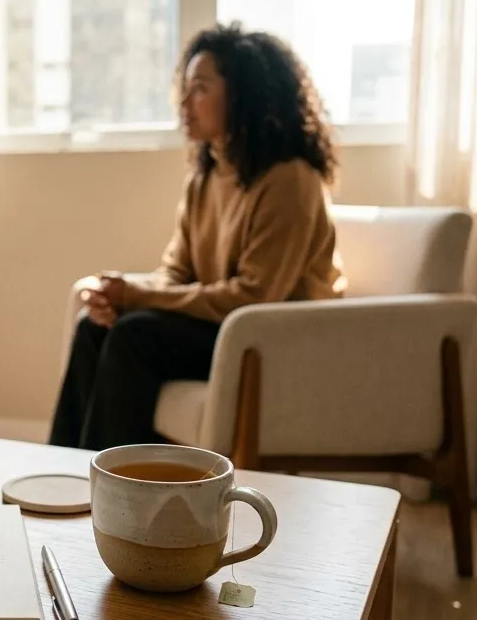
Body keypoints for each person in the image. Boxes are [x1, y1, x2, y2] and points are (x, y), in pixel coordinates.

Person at [49, 23, 346, 451]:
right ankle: (67, 476)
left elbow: (255, 296)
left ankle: (115, 491)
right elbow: (177, 271)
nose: (185, 104)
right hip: (222, 329)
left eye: (201, 89)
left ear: (243, 94)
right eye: (184, 89)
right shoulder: (206, 177)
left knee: (136, 336)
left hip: (274, 341)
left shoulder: (290, 180)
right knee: (94, 326)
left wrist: (141, 297)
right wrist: (122, 295)